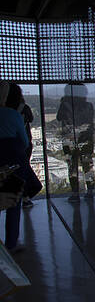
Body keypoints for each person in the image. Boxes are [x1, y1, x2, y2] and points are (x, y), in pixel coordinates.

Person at [0, 82, 42, 253]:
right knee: (13, 203)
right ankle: (11, 243)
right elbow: (24, 142)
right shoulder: (13, 115)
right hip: (14, 164)